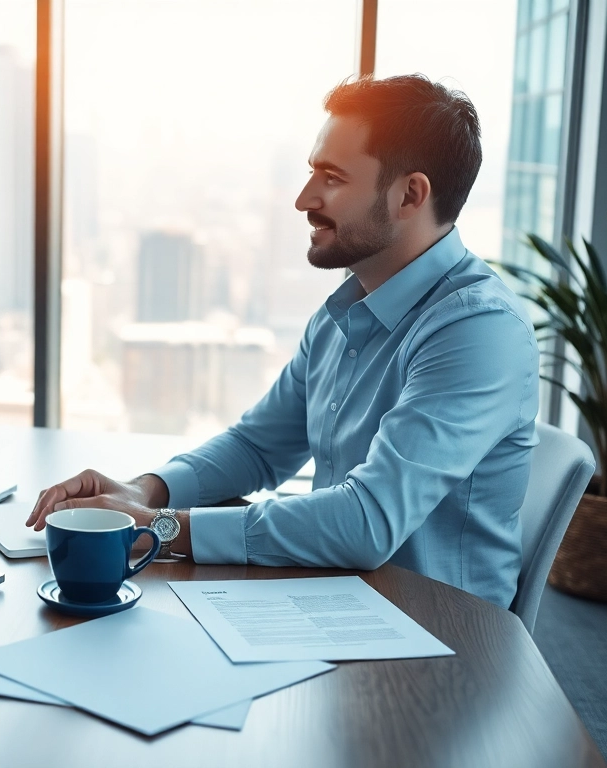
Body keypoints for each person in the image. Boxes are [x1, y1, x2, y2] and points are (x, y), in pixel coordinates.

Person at [27, 74, 539, 609]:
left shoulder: (478, 331)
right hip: (342, 601)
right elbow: (257, 446)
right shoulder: (344, 313)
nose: (303, 199)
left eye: (332, 178)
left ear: (410, 194)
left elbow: (367, 523)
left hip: (442, 641)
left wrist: (163, 528)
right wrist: (144, 491)